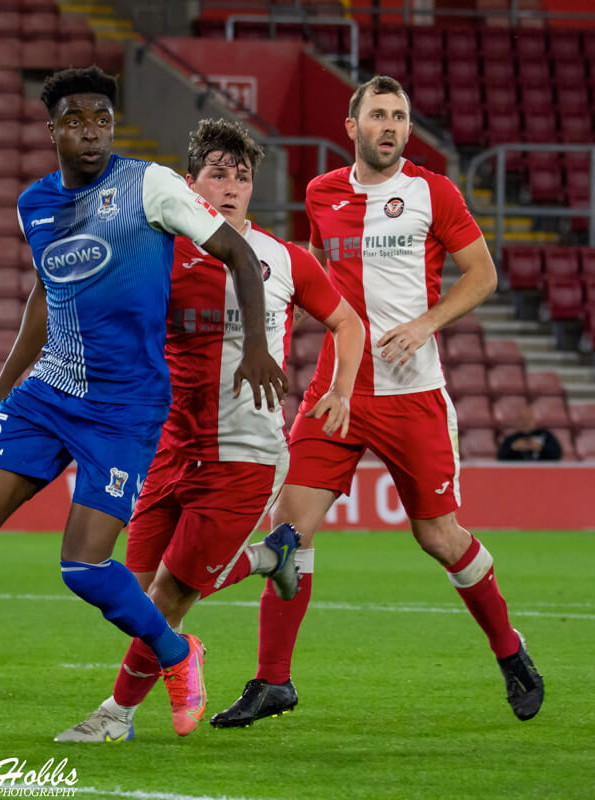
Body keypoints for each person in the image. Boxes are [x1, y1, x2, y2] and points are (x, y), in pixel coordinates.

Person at [0, 67, 288, 755]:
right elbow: (47, 297)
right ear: (53, 129)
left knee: (83, 568)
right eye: (76, 119)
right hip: (49, 394)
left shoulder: (151, 186)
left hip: (125, 406)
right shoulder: (34, 206)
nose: (92, 130)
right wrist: (6, 382)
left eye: (102, 118)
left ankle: (175, 649)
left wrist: (256, 346)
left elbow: (238, 256)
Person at [211, 76, 544, 728]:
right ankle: (272, 681)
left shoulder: (432, 192)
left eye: (400, 116)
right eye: (379, 115)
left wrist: (427, 323)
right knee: (289, 528)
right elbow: (317, 276)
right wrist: (277, 339)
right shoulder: (321, 193)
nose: (391, 126)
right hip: (336, 393)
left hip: (412, 395)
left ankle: (510, 650)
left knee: (439, 537)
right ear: (352, 125)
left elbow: (482, 275)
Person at [53, 119, 364, 741]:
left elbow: (349, 325)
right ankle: (270, 555)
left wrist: (339, 390)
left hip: (244, 452)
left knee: (170, 597)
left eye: (242, 177)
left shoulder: (284, 260)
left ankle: (115, 716)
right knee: (132, 600)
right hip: (168, 448)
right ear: (190, 183)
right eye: (217, 174)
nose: (230, 187)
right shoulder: (158, 253)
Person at [497, 405, 562, 461]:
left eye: (529, 419)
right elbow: (501, 457)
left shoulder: (546, 436)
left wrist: (540, 447)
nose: (525, 422)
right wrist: (514, 448)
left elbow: (556, 455)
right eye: (522, 419)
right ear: (517, 421)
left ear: (535, 420)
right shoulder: (511, 439)